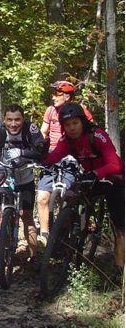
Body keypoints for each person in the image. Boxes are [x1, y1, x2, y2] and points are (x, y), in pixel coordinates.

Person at [44, 103, 124, 272]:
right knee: (70, 197)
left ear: (82, 122)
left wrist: (96, 172)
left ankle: (119, 268)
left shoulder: (97, 135)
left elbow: (115, 164)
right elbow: (53, 157)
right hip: (91, 178)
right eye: (67, 125)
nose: (72, 128)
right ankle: (65, 240)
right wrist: (40, 154)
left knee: (119, 224)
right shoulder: (67, 141)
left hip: (112, 179)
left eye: (75, 123)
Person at [0, 104, 45, 276]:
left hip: (24, 177)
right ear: (4, 120)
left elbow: (41, 148)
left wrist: (22, 153)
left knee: (27, 217)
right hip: (1, 179)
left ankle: (34, 256)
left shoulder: (30, 129)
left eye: (17, 119)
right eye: (10, 120)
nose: (13, 124)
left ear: (23, 119)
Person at [37, 80, 94, 244]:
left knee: (67, 197)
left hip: (72, 155)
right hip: (52, 154)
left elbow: (90, 130)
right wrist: (39, 148)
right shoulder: (50, 111)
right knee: (42, 197)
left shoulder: (80, 111)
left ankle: (65, 233)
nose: (53, 97)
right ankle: (45, 235)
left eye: (57, 94)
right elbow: (43, 131)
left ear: (67, 97)